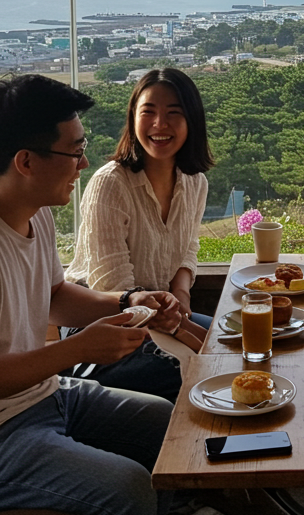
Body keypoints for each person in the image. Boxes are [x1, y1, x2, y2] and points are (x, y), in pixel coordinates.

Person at [0, 74, 181, 515]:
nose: (84, 164)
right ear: (26, 162)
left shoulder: (35, 211)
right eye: (74, 151)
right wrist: (77, 349)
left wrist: (129, 301)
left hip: (41, 395)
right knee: (128, 488)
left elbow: (52, 294)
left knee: (170, 422)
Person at [63, 68, 213, 401]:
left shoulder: (195, 182)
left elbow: (189, 246)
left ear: (193, 121)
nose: (160, 124)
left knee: (242, 342)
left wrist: (181, 296)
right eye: (149, 112)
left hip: (163, 308)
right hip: (104, 320)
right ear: (133, 118)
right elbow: (111, 284)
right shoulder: (110, 184)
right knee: (189, 374)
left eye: (174, 113)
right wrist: (180, 327)